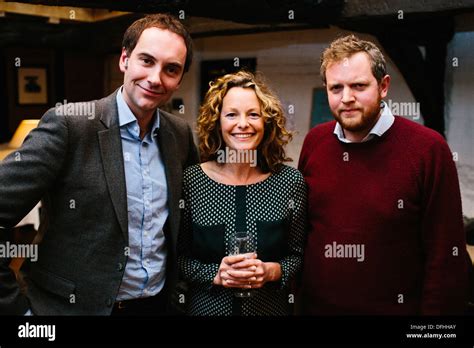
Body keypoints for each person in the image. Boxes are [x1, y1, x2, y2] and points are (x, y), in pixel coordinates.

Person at [0, 13, 199, 315]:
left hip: (157, 307)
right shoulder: (69, 125)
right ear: (124, 59)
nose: (156, 78)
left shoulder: (180, 135)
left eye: (171, 69)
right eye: (147, 61)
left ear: (180, 77)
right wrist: (18, 311)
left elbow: (182, 227)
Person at [298, 34, 468, 315]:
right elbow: (303, 235)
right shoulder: (315, 142)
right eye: (336, 88)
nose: (347, 98)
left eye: (359, 86)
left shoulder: (428, 149)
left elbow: (446, 256)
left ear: (384, 86)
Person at [177, 71, 307, 315]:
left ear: (266, 122)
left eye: (253, 114)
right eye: (231, 114)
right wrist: (215, 274)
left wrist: (272, 271)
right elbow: (177, 257)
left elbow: (299, 256)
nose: (243, 124)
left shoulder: (290, 182)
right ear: (217, 121)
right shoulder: (191, 180)